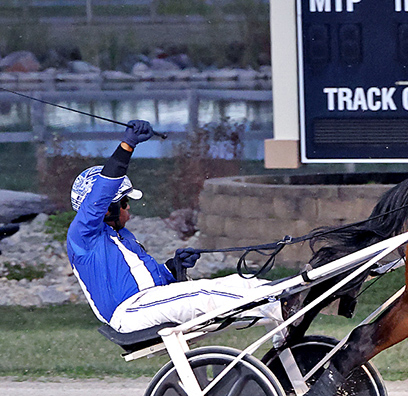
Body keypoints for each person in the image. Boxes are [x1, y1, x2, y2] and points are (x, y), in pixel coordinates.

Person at [67, 119, 281, 333]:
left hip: (147, 303)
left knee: (237, 283)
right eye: (124, 202)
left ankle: (286, 330)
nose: (129, 208)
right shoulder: (83, 235)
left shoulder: (123, 236)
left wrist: (172, 267)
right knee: (204, 295)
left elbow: (146, 281)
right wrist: (127, 145)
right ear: (106, 209)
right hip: (131, 311)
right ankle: (281, 306)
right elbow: (102, 193)